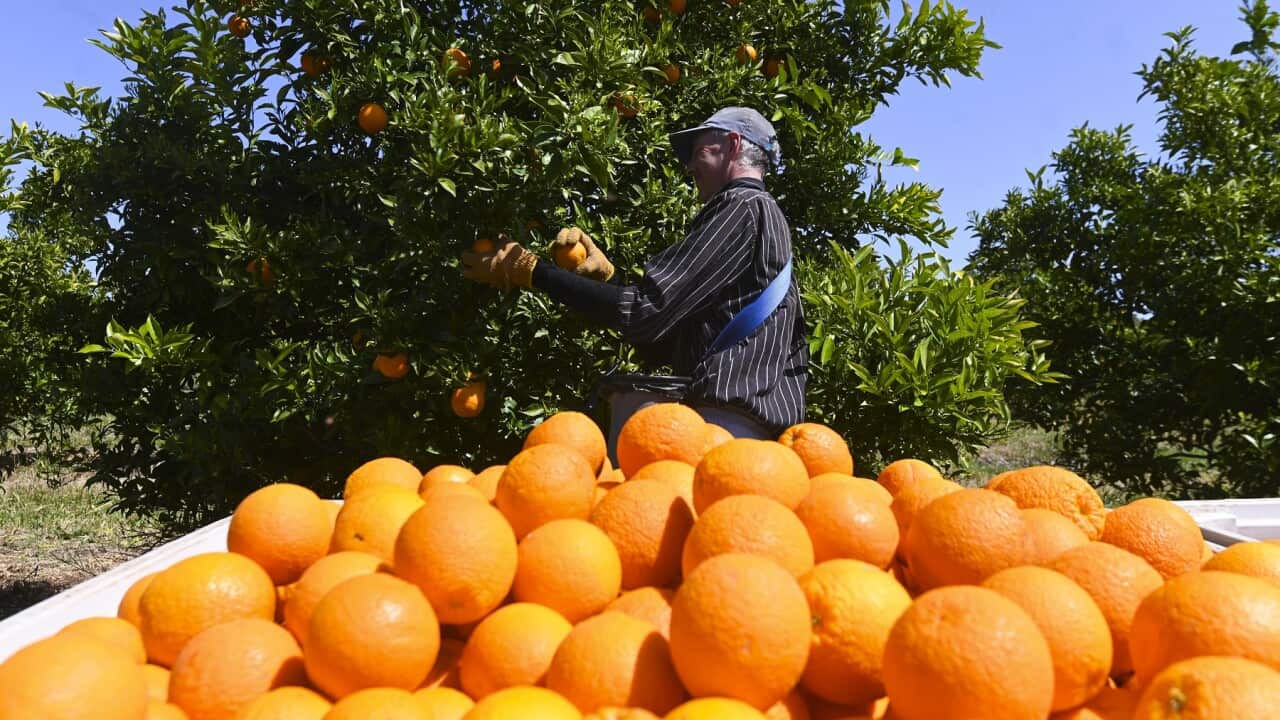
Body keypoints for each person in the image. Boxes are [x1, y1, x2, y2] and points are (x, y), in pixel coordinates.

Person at [462, 106, 807, 460]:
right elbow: (659, 337)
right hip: (749, 436)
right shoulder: (762, 217)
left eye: (698, 151)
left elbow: (644, 312)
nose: (690, 166)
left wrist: (533, 271)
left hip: (724, 432)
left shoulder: (740, 206)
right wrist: (610, 280)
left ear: (733, 144)